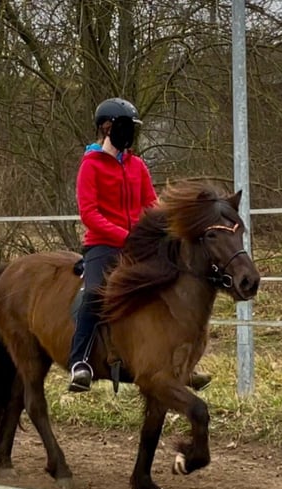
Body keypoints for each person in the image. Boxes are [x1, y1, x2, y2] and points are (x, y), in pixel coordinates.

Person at [68, 97, 212, 394]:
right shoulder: (90, 166)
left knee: (169, 285)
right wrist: (123, 236)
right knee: (94, 293)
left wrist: (168, 230)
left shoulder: (137, 166)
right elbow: (89, 214)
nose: (130, 133)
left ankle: (180, 364)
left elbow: (151, 204)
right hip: (103, 245)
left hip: (138, 246)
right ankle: (79, 361)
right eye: (125, 127)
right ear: (107, 127)